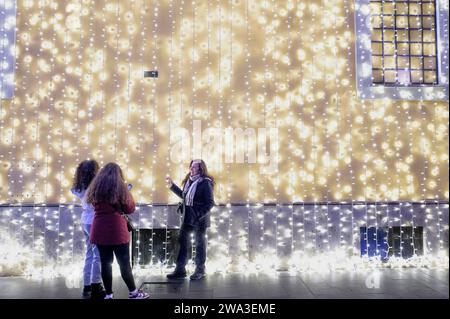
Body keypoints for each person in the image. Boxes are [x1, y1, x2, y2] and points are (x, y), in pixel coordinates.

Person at [86, 162, 149, 299]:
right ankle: (133, 293)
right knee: (124, 263)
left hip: (99, 229)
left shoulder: (95, 186)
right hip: (117, 230)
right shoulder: (120, 188)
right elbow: (130, 209)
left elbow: (91, 202)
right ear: (118, 174)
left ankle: (109, 294)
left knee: (106, 263)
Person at [166, 159, 215, 280]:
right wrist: (172, 186)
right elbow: (184, 195)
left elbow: (210, 203)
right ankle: (180, 270)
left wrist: (198, 215)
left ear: (200, 169)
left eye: (194, 167)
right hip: (187, 217)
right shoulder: (189, 181)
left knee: (199, 244)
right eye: (191, 167)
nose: (191, 169)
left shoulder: (205, 182)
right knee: (183, 243)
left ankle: (200, 270)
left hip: (199, 219)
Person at [71, 159, 106, 299]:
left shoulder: (80, 188)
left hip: (85, 221)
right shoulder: (96, 187)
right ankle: (96, 284)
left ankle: (87, 286)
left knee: (89, 253)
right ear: (94, 171)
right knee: (98, 255)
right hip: (95, 221)